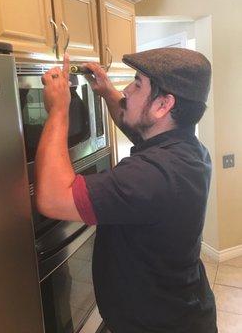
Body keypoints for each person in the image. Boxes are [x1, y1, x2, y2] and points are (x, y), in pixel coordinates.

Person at [34, 48, 218, 333]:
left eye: (137, 83)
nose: (126, 91)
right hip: (179, 309)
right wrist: (106, 91)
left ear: (163, 105)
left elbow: (52, 198)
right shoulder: (184, 146)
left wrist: (58, 110)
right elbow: (135, 125)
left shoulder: (151, 175)